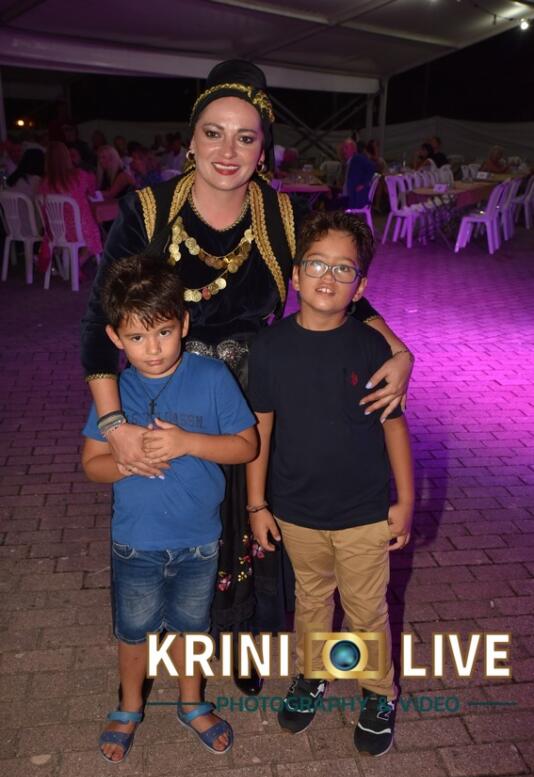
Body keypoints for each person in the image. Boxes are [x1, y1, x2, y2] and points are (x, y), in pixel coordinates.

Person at [81, 59, 413, 693]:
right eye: (213, 133)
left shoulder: (281, 216)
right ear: (191, 140)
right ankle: (180, 647)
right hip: (174, 393)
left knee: (255, 522)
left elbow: (336, 284)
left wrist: (400, 351)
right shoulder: (148, 211)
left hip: (258, 393)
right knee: (182, 513)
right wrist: (114, 421)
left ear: (264, 149)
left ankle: (245, 646)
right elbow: (99, 317)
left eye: (245, 137)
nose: (227, 151)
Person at [246, 210, 414, 756]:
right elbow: (261, 427)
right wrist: (256, 503)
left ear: (360, 287)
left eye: (344, 269)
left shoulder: (371, 347)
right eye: (316, 264)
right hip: (296, 508)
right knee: (312, 598)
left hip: (364, 511)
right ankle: (312, 674)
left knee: (366, 610)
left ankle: (378, 692)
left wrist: (406, 500)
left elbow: (394, 427)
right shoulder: (269, 348)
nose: (328, 276)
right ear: (295, 275)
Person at [82, 255, 257, 763]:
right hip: (136, 541)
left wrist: (187, 443)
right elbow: (91, 464)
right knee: (133, 632)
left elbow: (246, 446)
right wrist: (125, 461)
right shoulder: (115, 393)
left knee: (192, 628)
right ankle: (129, 706)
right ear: (115, 338)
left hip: (198, 541)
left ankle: (191, 702)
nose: (153, 349)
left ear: (183, 322)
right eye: (137, 337)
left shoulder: (212, 377)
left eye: (163, 332)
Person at [38, 141, 102, 265]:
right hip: (79, 229)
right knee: (93, 232)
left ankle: (70, 266)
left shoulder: (43, 183)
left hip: (55, 231)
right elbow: (92, 192)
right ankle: (77, 265)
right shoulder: (80, 176)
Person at [345, 141, 376, 209]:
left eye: (346, 148)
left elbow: (371, 166)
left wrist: (364, 183)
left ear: (354, 149)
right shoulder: (352, 160)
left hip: (356, 197)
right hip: (352, 196)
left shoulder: (358, 159)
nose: (344, 151)